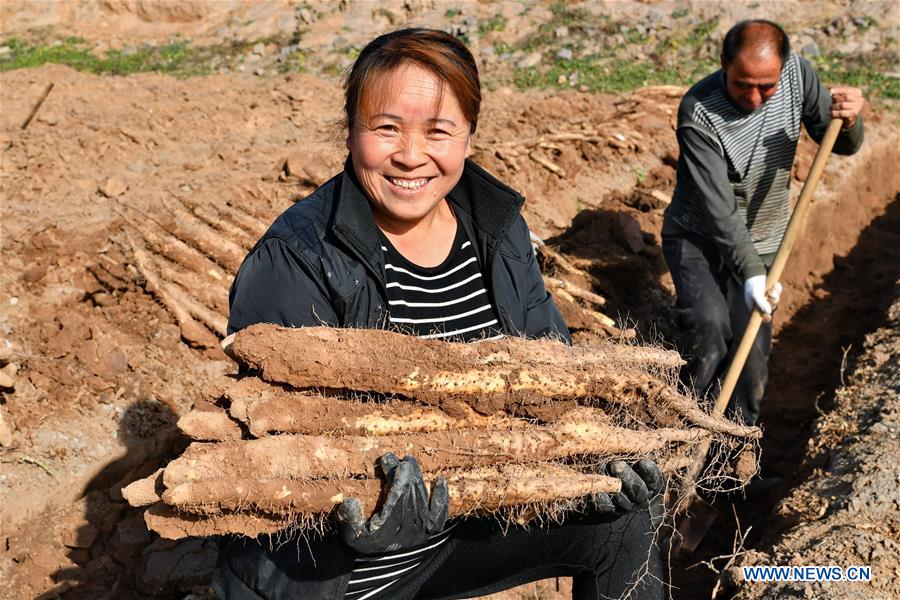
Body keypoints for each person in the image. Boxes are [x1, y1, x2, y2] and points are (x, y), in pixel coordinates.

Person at [215, 28, 665, 600]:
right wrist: (359, 515)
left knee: (629, 521)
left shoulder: (496, 232)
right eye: (386, 129)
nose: (410, 155)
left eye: (438, 131)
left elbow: (555, 377)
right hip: (332, 568)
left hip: (457, 526)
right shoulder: (298, 255)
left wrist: (593, 459)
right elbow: (276, 446)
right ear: (350, 132)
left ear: (469, 138)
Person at [662, 19, 864, 426]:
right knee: (709, 332)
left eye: (766, 87)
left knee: (751, 358)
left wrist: (851, 120)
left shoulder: (799, 76)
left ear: (784, 69)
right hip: (699, 238)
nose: (754, 97)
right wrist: (753, 272)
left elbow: (839, 142)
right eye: (742, 85)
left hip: (766, 237)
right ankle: (687, 437)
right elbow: (718, 210)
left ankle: (734, 466)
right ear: (723, 65)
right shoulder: (698, 112)